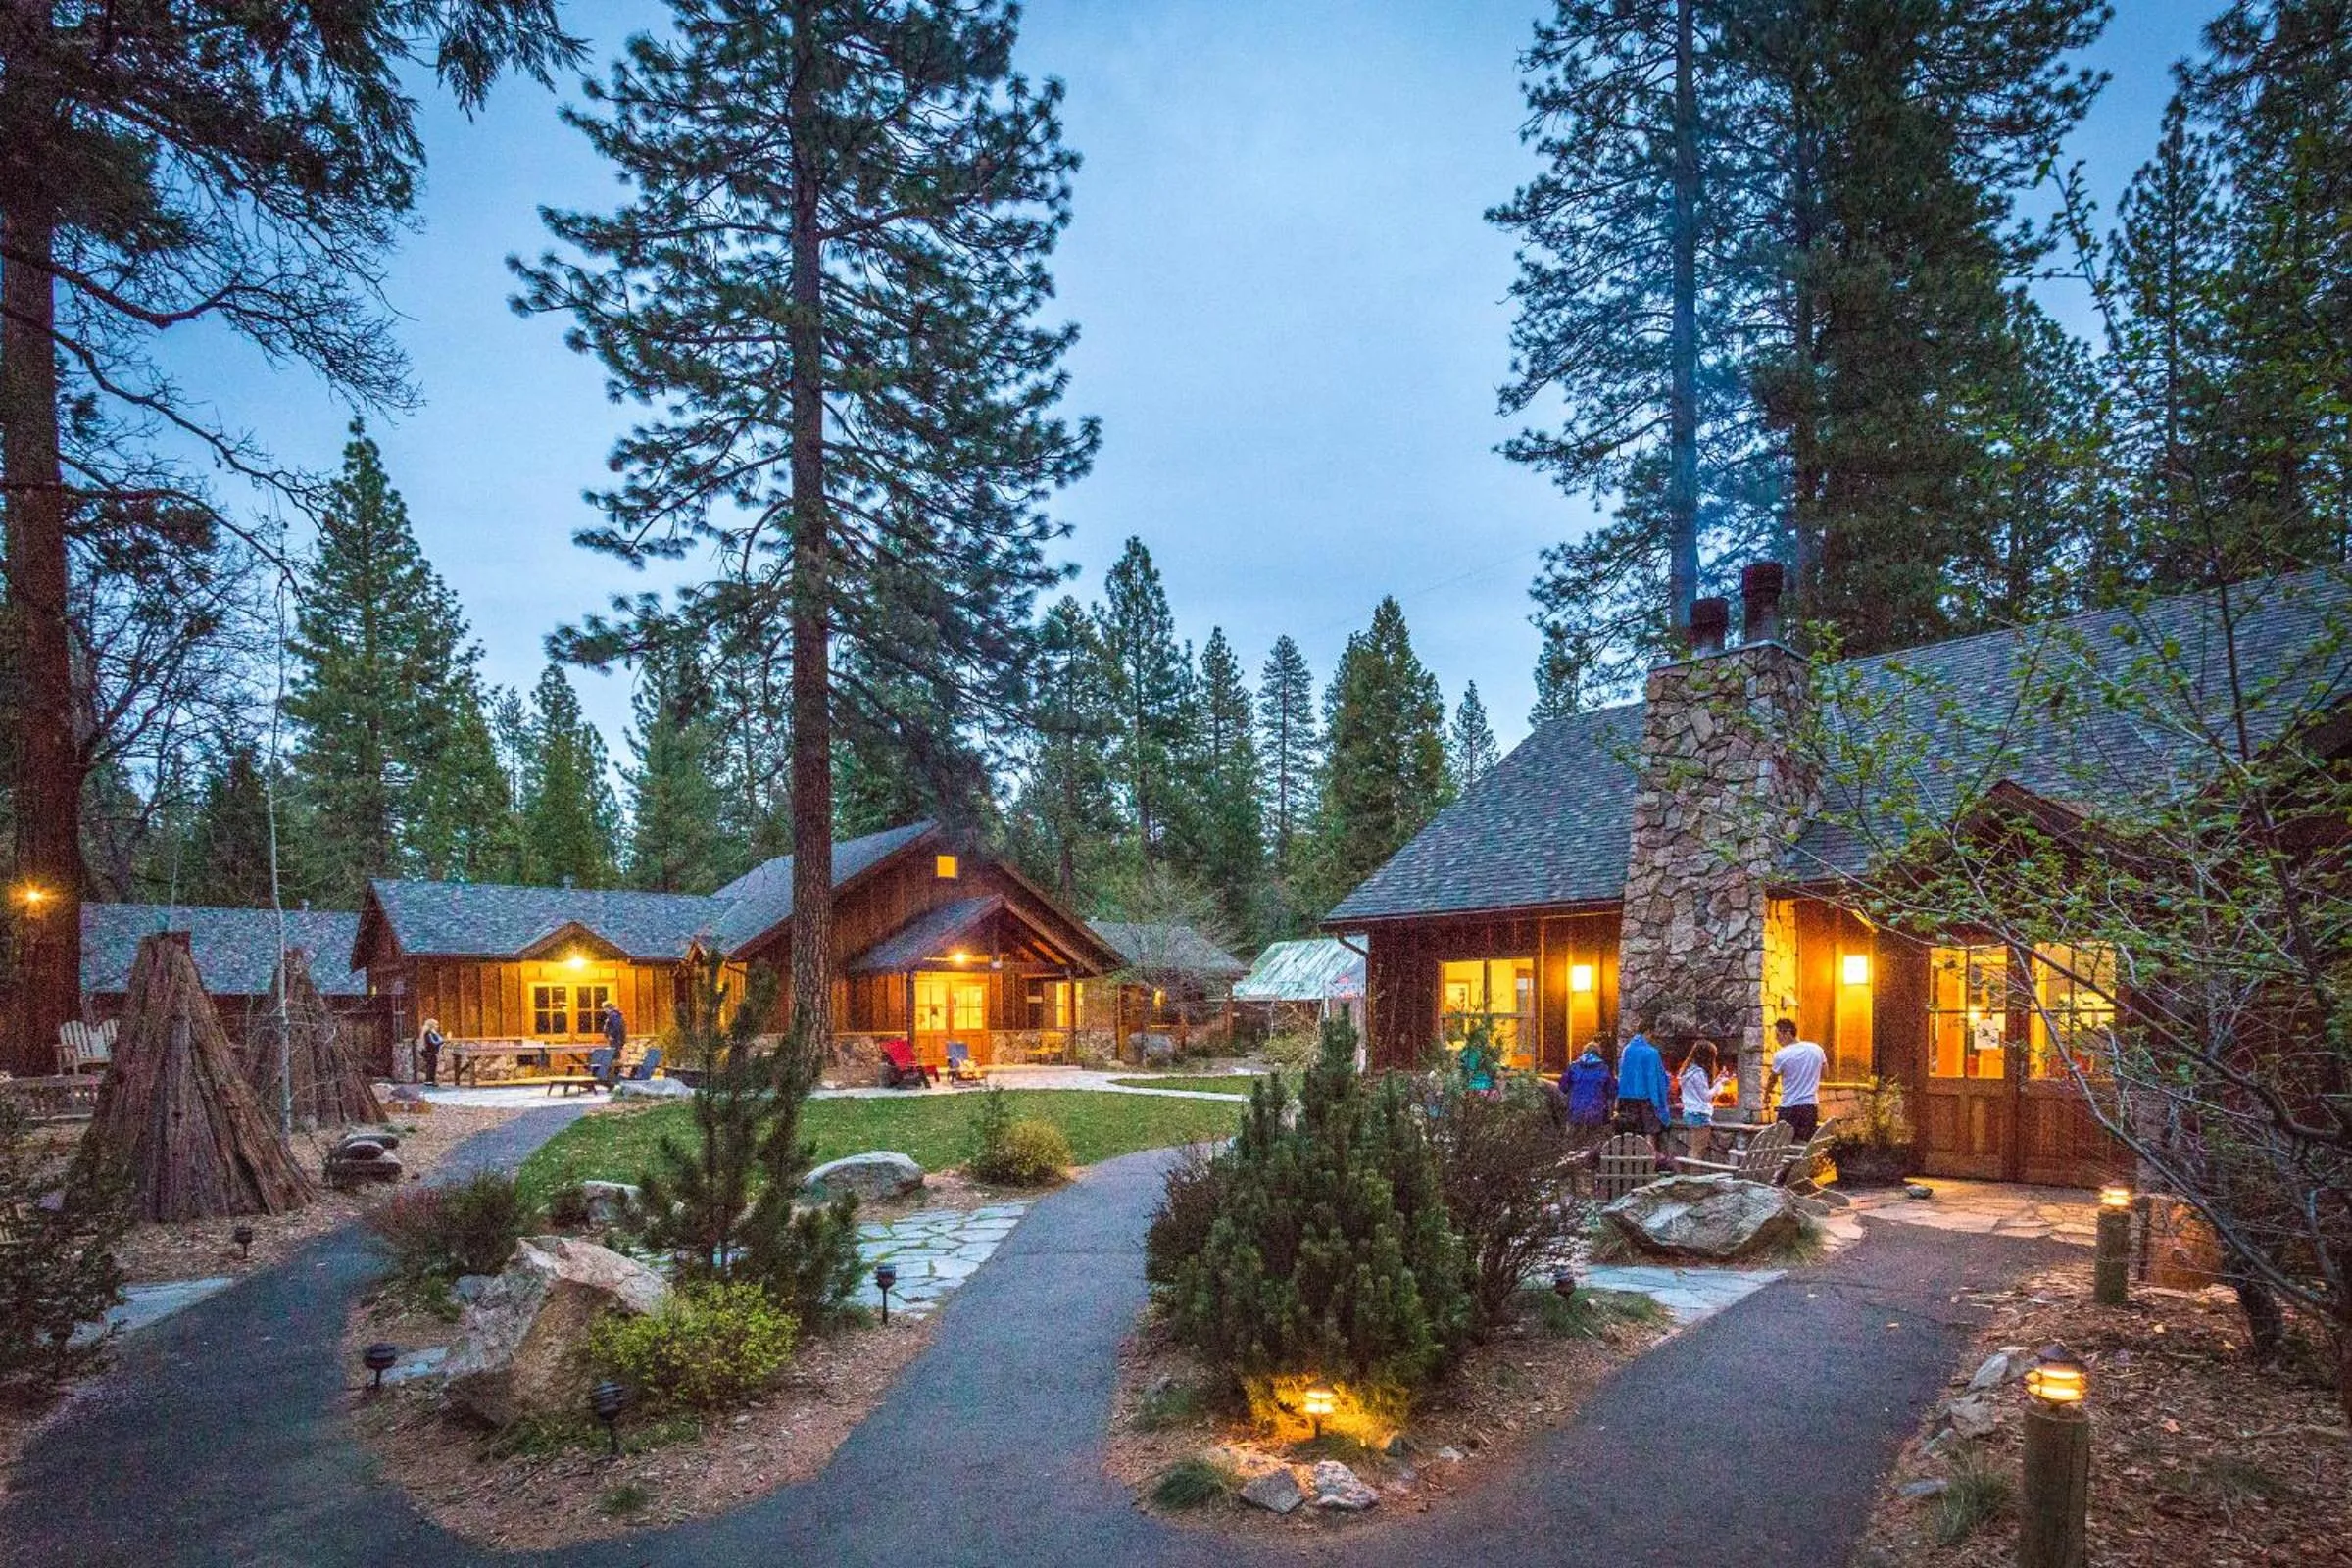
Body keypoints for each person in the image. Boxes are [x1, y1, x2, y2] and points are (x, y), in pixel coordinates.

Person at [1767, 1017, 1828, 1140]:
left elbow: (1772, 1079)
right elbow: (1825, 1073)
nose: (1777, 1039)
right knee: (1804, 1146)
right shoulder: (1817, 1049)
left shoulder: (1781, 1055)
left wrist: (1766, 1094)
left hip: (1789, 1107)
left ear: (1788, 1033)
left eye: (1778, 1035)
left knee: (1782, 1144)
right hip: (1810, 1107)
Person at [1613, 1016, 1673, 1140]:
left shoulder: (1627, 1050)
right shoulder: (1652, 1052)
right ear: (1648, 1032)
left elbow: (1622, 1074)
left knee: (1630, 1130)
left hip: (1627, 1096)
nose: (1652, 1038)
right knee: (1650, 1129)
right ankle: (1650, 1156)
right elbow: (1656, 1077)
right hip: (1646, 1098)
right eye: (1652, 1034)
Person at [1677, 1038, 1728, 1164]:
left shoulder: (1688, 1071)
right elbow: (1706, 1096)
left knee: (1694, 1148)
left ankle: (1689, 1175)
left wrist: (1716, 1081)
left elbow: (1698, 1092)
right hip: (1700, 1115)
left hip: (1690, 1112)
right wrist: (1719, 1084)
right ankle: (1692, 1178)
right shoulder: (1699, 1073)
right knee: (1698, 1150)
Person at [1561, 1039, 1617, 1133]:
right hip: (1597, 1113)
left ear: (1583, 1052)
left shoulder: (1573, 1067)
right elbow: (1612, 1090)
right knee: (1595, 1142)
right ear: (1599, 1053)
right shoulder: (1604, 1068)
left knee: (1574, 1143)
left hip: (1575, 1113)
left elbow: (1563, 1087)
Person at [600, 1001, 628, 1085]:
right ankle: (614, 1078)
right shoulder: (616, 1015)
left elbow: (617, 1027)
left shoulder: (613, 1016)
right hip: (617, 1041)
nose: (604, 1011)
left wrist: (611, 1035)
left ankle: (613, 1080)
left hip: (615, 1042)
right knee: (615, 1059)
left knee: (612, 1059)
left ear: (607, 1008)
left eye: (604, 1008)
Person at [418, 1017, 445, 1087]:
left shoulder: (433, 1033)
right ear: (431, 1026)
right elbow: (433, 1043)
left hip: (432, 1052)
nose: (437, 1026)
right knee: (431, 1066)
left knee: (433, 1065)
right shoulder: (429, 1033)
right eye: (436, 1025)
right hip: (429, 1052)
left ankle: (431, 1080)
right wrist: (441, 1041)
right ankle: (429, 1080)